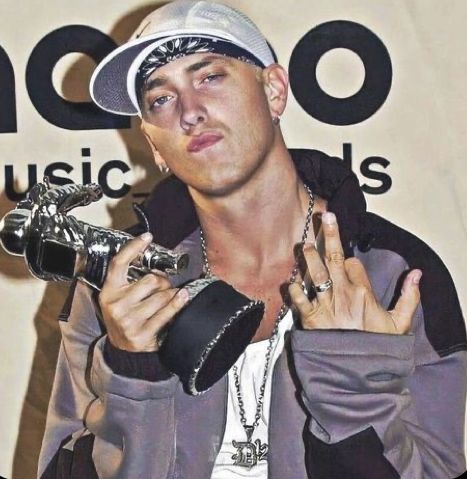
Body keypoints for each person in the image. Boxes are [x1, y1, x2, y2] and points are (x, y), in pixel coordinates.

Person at [38, 1, 467, 478]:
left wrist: (352, 385)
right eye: (161, 99)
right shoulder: (122, 284)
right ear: (153, 144)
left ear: (275, 91)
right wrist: (133, 373)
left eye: (210, 77)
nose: (190, 113)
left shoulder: (394, 272)